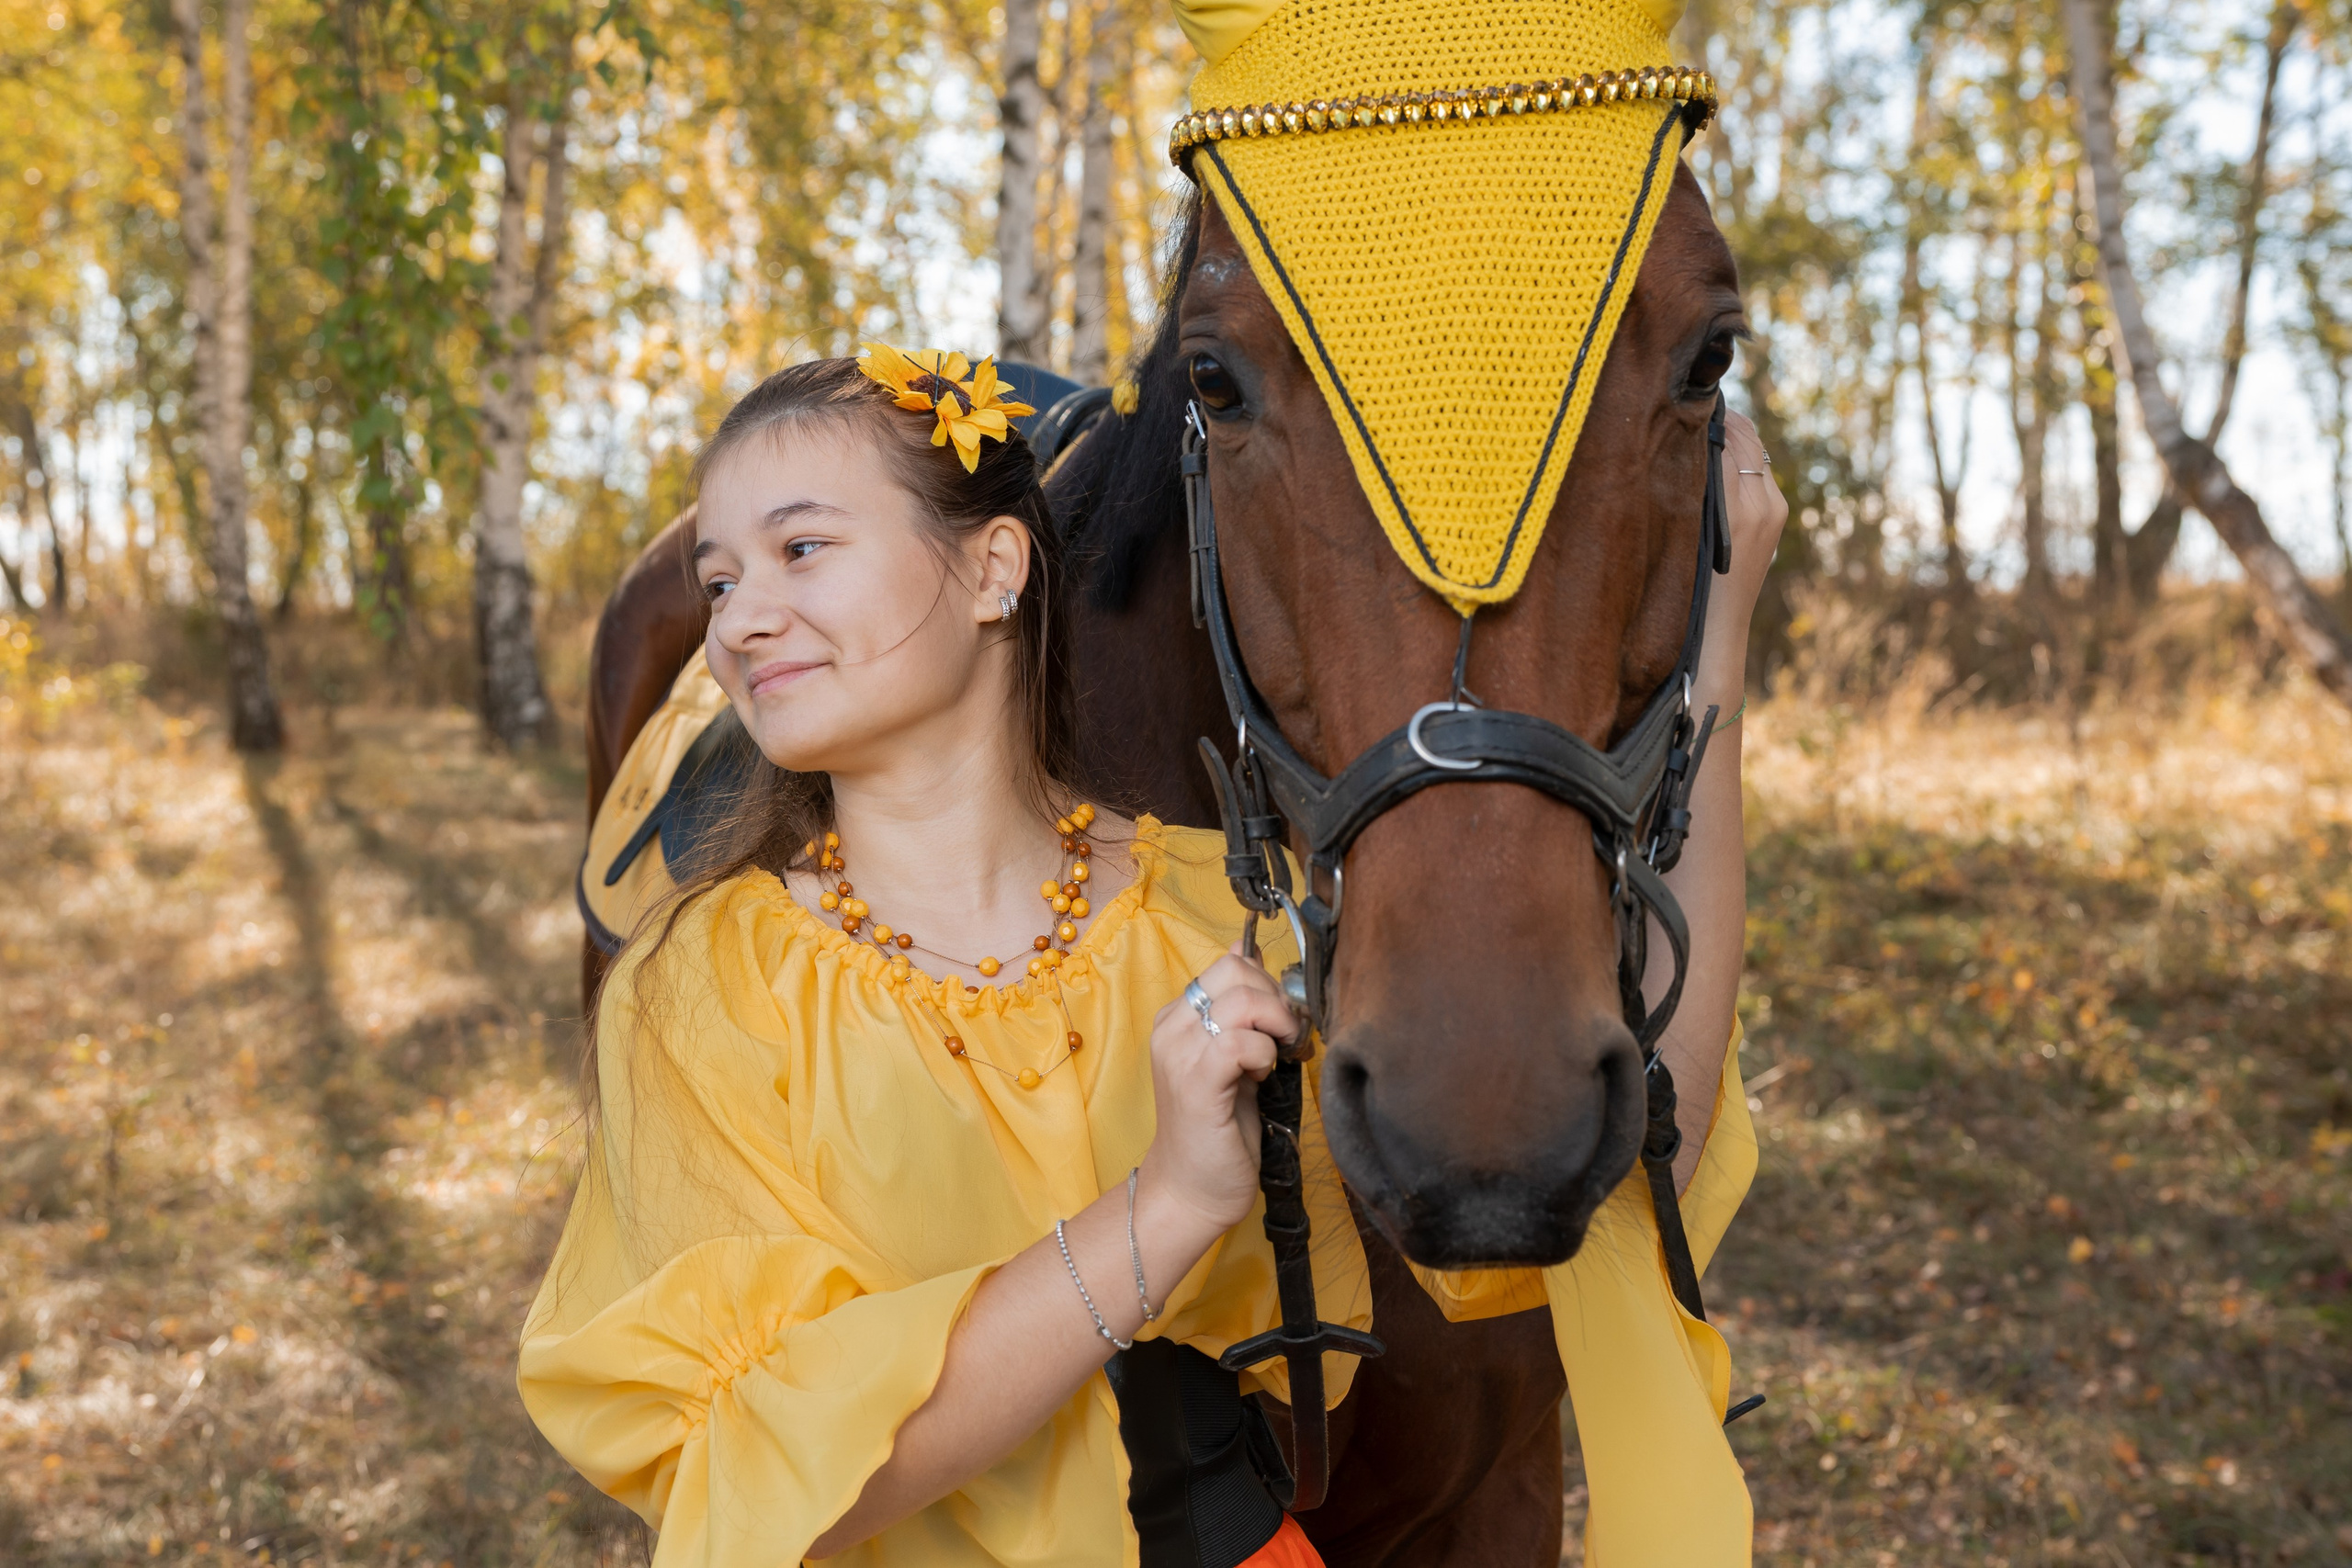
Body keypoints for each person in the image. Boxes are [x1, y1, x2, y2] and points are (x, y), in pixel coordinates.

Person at [517, 344, 1785, 1565]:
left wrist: (1717, 644)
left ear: (993, 570)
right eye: (723, 577)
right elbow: (752, 1462)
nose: (739, 622)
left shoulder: (1223, 916)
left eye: (800, 550)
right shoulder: (704, 987)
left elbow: (1633, 1150)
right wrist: (1167, 1210)